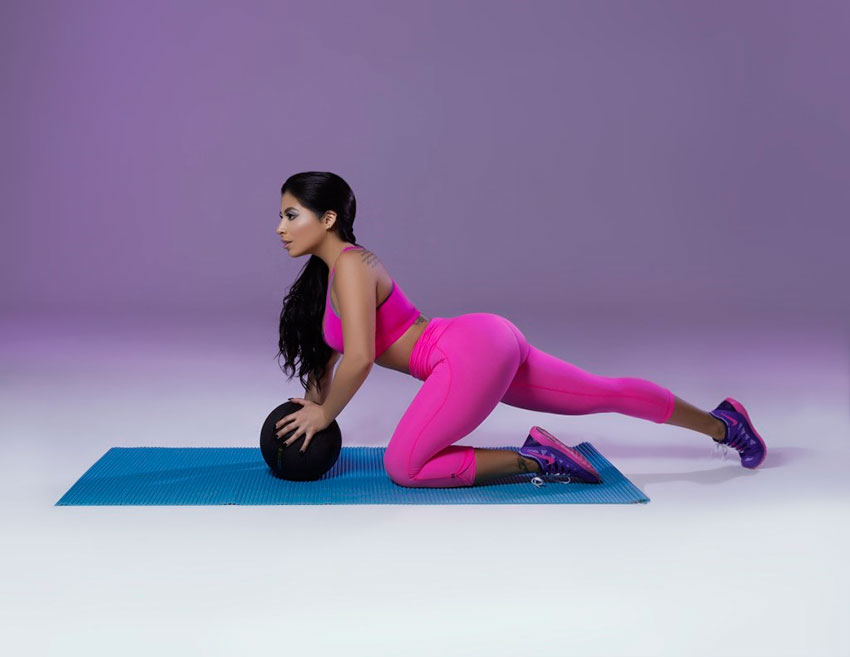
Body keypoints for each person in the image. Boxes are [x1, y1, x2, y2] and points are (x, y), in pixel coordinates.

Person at [272, 171, 767, 488]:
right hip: (480, 342)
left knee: (405, 467)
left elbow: (359, 356)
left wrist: (325, 416)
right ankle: (726, 424)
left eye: (291, 215)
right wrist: (317, 399)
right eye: (281, 216)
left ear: (328, 217)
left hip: (462, 355)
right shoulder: (331, 276)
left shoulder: (354, 267)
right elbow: (331, 353)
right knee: (601, 392)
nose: (281, 227)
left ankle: (538, 458)